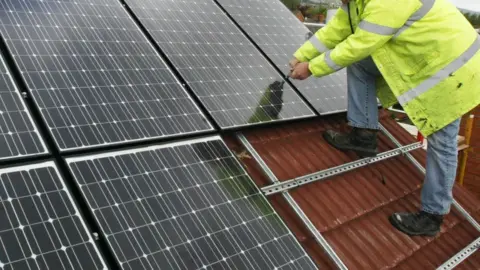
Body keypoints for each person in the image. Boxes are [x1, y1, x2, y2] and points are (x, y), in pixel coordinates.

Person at [289, 0, 480, 237]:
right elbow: (337, 29)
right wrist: (300, 56)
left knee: (442, 143)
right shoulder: (357, 2)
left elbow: (360, 44)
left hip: (453, 70)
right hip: (428, 58)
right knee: (361, 65)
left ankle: (432, 215)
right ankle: (364, 135)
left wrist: (312, 68)